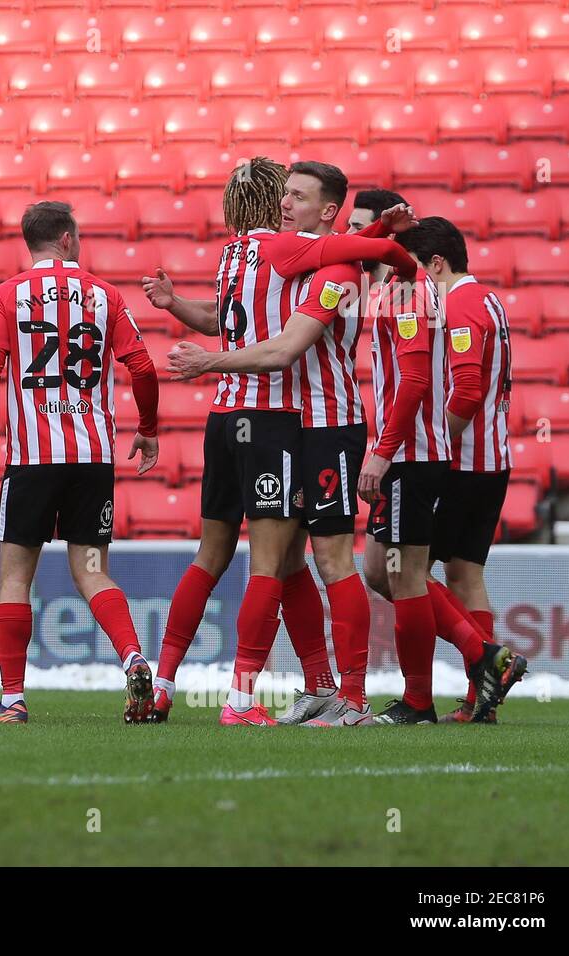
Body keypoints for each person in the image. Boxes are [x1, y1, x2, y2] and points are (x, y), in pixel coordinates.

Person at [140, 157, 417, 725]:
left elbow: (285, 344)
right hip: (281, 425)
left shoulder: (321, 268)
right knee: (287, 562)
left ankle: (351, 697)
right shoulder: (286, 258)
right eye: (283, 194)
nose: (286, 203)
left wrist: (391, 249)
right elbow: (247, 312)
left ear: (329, 212)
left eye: (299, 196)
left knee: (328, 560)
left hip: (325, 424)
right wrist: (385, 242)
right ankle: (313, 686)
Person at [0, 201, 161, 725]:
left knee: (14, 578)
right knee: (93, 571)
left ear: (29, 243)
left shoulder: (6, 297)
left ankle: (12, 699)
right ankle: (134, 658)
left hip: (32, 460)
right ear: (70, 239)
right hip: (93, 459)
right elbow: (142, 367)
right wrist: (147, 429)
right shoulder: (106, 295)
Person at [373, 219, 527, 723]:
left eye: (412, 267)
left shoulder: (456, 304)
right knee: (463, 575)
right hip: (492, 459)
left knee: (394, 572)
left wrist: (441, 438)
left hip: (459, 460)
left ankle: (465, 673)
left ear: (435, 263)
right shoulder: (490, 300)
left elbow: (466, 389)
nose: (407, 280)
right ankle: (479, 693)